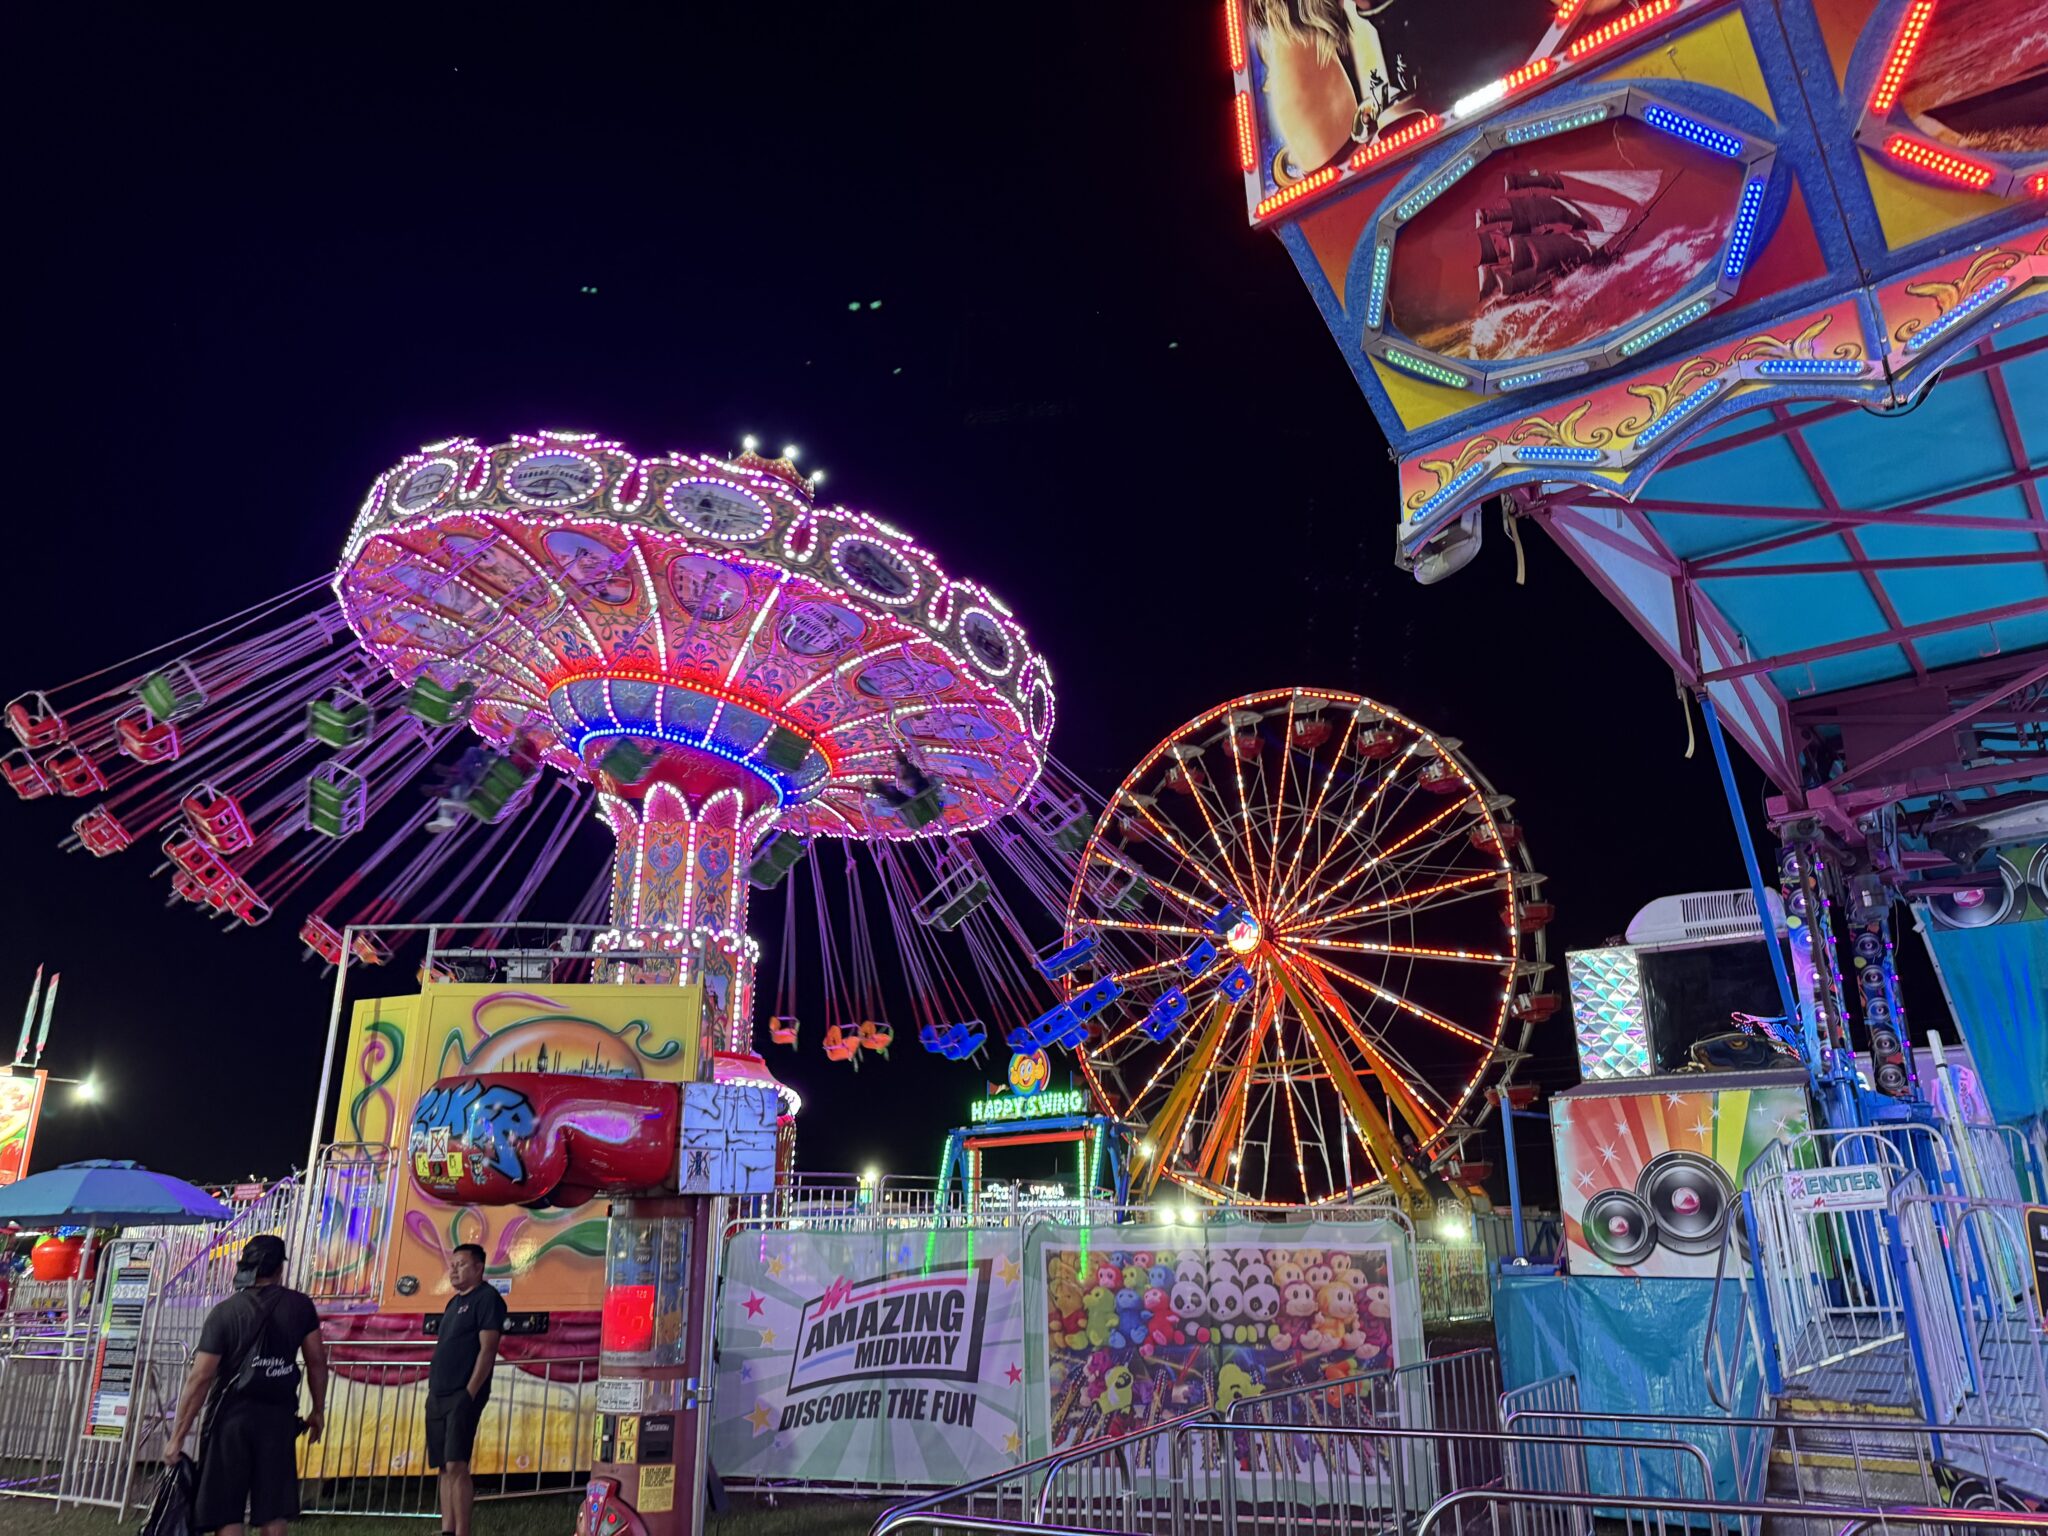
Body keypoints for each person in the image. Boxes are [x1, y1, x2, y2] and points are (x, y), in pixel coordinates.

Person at [166, 1234, 327, 1536]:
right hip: (278, 1418)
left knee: (226, 1511)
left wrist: (177, 1436)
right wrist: (318, 1410)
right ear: (280, 1268)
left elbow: (200, 1378)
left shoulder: (224, 1312)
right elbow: (317, 1362)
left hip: (230, 1419)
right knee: (273, 1511)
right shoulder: (301, 1306)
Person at [427, 1242, 506, 1536]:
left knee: (457, 1463)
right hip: (438, 1394)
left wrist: (470, 1392)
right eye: (452, 1264)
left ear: (478, 1268)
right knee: (443, 1466)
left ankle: (463, 1531)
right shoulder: (452, 1303)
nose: (454, 1270)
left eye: (461, 1264)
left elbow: (487, 1350)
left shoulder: (488, 1300)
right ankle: (447, 1529)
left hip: (463, 1394)